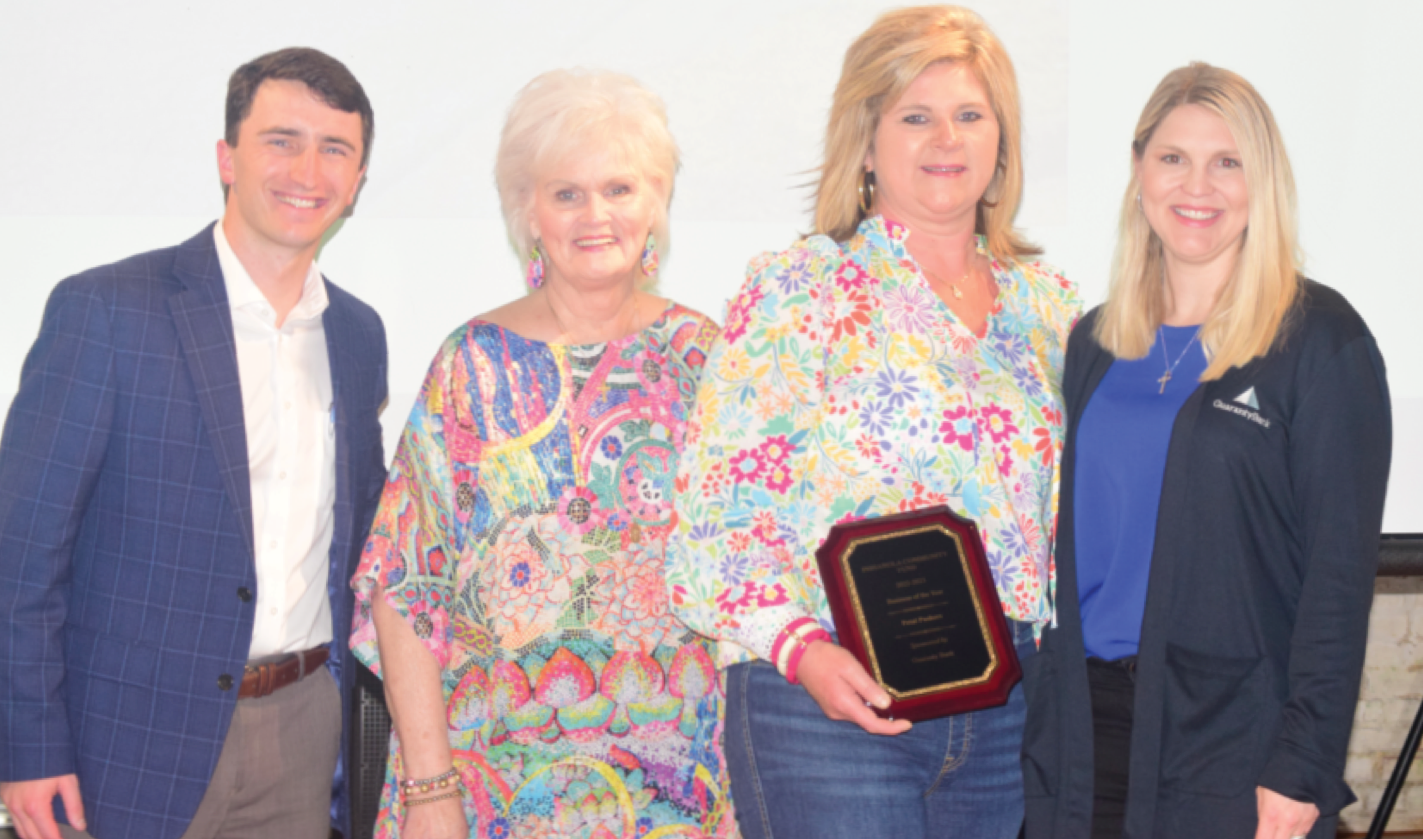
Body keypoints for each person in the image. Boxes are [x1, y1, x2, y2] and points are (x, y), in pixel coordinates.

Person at [667, 7, 1078, 838]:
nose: (946, 139)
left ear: (1001, 141)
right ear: (864, 141)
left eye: (970, 114)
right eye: (914, 116)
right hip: (825, 704)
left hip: (1004, 710)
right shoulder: (796, 292)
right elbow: (712, 525)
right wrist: (804, 653)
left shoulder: (1050, 311)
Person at [0, 48, 388, 839]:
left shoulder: (356, 334)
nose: (306, 170)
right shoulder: (108, 311)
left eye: (334, 149)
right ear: (226, 158)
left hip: (303, 731)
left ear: (356, 183)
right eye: (281, 140)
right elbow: (21, 553)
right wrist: (27, 746)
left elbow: (361, 544)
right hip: (125, 742)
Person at [349, 68, 735, 839]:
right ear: (528, 212)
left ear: (655, 201)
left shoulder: (706, 358)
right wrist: (430, 788)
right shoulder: (471, 365)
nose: (596, 215)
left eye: (619, 188)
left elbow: (753, 576)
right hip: (486, 784)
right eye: (566, 193)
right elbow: (403, 585)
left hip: (678, 789)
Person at [1019, 63, 1392, 839]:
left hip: (1233, 746)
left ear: (1263, 182)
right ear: (1138, 172)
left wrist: (1302, 764)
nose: (1197, 185)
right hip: (1084, 736)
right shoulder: (1093, 343)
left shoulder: (1319, 341)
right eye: (1172, 158)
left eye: (1228, 161)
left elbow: (1336, 577)